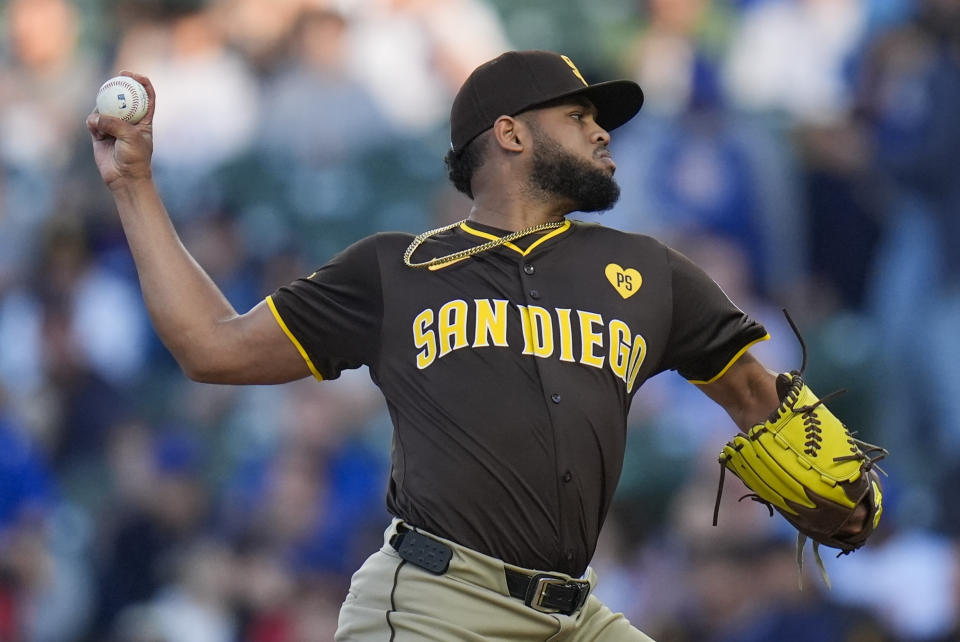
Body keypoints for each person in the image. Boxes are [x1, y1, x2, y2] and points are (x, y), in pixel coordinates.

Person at [87, 50, 871, 641]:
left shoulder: (650, 271)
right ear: (510, 133)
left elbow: (753, 396)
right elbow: (211, 348)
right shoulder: (395, 270)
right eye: (579, 116)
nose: (603, 130)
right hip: (436, 607)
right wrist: (134, 185)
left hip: (576, 612)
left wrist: (833, 480)